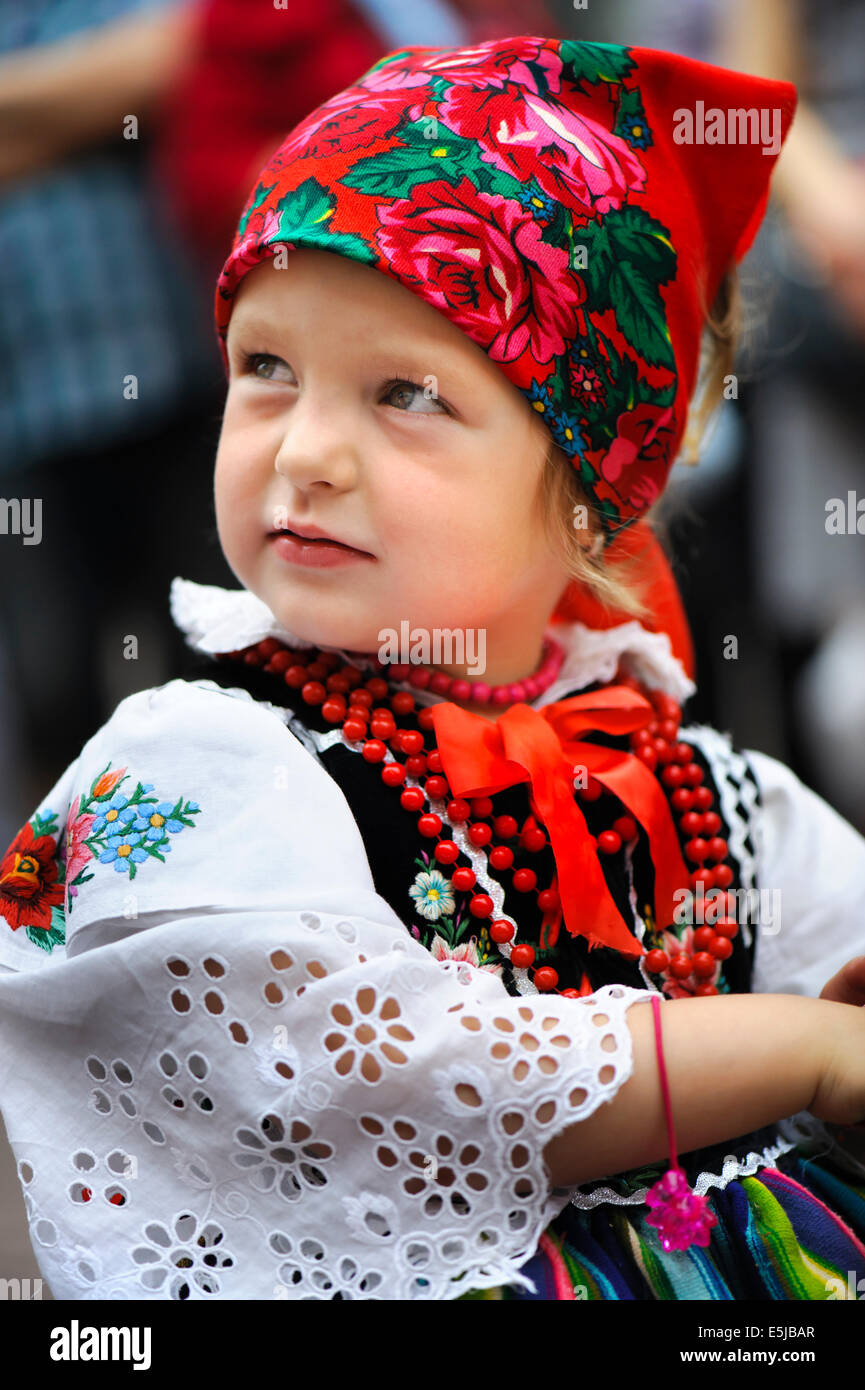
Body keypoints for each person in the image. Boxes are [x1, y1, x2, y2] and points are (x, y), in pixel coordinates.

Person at [1, 36, 865, 1304]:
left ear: (587, 486)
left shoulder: (708, 788)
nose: (306, 453)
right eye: (266, 370)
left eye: (404, 392)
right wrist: (803, 1050)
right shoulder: (212, 766)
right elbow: (396, 1073)